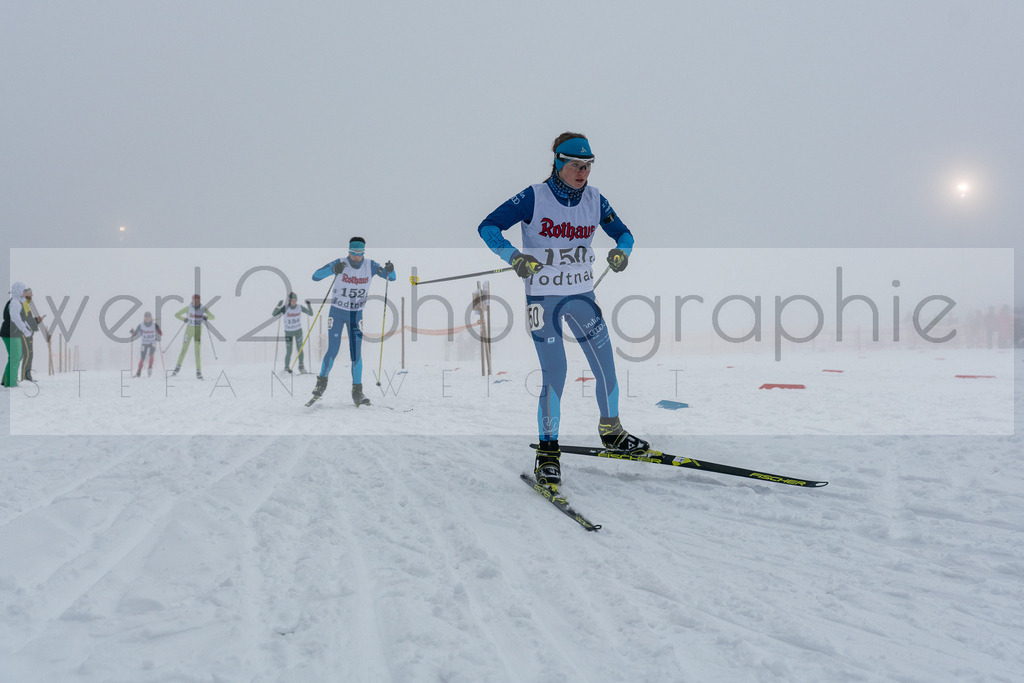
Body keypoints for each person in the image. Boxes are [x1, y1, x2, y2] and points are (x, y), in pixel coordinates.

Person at [477, 132, 649, 490]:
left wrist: (622, 253)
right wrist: (513, 256)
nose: (582, 172)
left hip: (582, 297)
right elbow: (488, 226)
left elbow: (625, 235)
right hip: (543, 299)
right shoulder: (533, 197)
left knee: (606, 364)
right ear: (557, 162)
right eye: (574, 164)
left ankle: (612, 431)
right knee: (557, 372)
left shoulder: (595, 199)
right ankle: (548, 452)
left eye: (587, 165)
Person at [310, 236, 396, 405]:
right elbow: (316, 276)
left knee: (356, 353)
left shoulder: (370, 265)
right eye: (353, 253)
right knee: (333, 350)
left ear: (364, 252)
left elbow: (391, 277)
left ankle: (358, 392)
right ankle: (321, 384)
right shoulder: (341, 262)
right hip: (337, 312)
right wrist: (334, 269)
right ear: (348, 251)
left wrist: (391, 269)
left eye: (360, 253)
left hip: (356, 315)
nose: (356, 257)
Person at [172, 294, 215, 379]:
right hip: (188, 331)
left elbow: (213, 317)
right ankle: (176, 369)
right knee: (184, 350)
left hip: (197, 331)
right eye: (194, 301)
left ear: (199, 300)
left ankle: (198, 372)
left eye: (197, 301)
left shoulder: (203, 309)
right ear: (192, 300)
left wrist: (207, 317)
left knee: (197, 352)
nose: (196, 302)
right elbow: (176, 314)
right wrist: (184, 319)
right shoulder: (188, 308)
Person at [272, 292, 313, 373]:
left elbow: (311, 314)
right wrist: (278, 306)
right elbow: (274, 314)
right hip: (288, 332)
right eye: (292, 300)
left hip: (298, 331)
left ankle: (301, 367)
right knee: (289, 350)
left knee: (300, 349)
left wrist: (309, 305)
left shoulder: (299, 307)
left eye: (295, 300)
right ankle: (286, 368)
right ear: (290, 301)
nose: (294, 302)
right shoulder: (285, 308)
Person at [2, 282, 33, 388]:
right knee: (16, 357)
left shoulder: (17, 302)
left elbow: (21, 318)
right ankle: (11, 383)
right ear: (19, 291)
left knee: (14, 357)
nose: (26, 293)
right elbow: (15, 318)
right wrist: (24, 330)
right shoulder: (15, 302)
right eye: (24, 291)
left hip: (11, 333)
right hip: (11, 333)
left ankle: (5, 380)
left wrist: (27, 328)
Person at [20, 286, 48, 382]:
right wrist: (35, 321)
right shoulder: (22, 304)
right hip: (24, 333)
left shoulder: (26, 304)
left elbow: (29, 320)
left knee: (28, 355)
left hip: (28, 333)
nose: (32, 295)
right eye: (30, 293)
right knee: (27, 355)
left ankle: (27, 377)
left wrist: (36, 320)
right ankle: (25, 377)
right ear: (25, 293)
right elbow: (24, 320)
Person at [131, 311, 162, 378]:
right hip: (144, 343)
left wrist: (158, 329)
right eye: (146, 317)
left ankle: (150, 368)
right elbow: (135, 333)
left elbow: (160, 333)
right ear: (144, 318)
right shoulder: (141, 325)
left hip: (152, 342)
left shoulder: (154, 325)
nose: (147, 319)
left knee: (151, 355)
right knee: (142, 358)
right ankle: (138, 372)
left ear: (151, 318)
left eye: (149, 317)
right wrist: (132, 333)